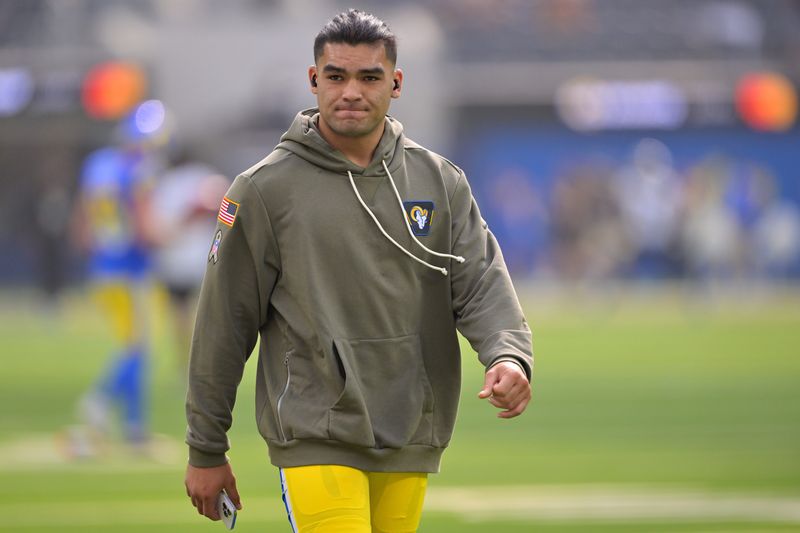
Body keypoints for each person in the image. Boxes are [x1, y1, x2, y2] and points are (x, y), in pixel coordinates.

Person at [184, 9, 533, 532]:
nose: (351, 91)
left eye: (369, 77)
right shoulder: (262, 190)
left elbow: (480, 281)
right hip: (314, 431)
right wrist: (206, 447)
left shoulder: (439, 181)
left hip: (411, 433)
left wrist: (508, 354)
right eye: (336, 76)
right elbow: (222, 325)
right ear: (313, 80)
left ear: (395, 84)